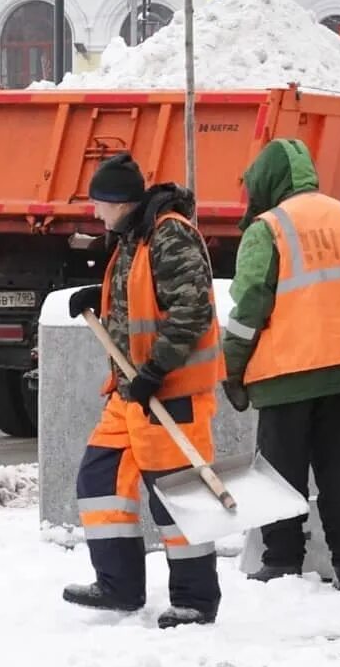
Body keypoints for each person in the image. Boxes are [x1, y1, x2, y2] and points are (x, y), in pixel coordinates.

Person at [62, 152, 224, 629]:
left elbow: (191, 310)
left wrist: (155, 369)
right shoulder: (135, 236)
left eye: (99, 204)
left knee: (179, 497)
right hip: (130, 392)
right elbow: (143, 297)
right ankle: (119, 586)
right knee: (100, 477)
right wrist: (103, 295)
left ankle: (196, 600)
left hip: (169, 392)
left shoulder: (170, 234)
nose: (95, 213)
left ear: (120, 202)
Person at [221, 138, 340, 592]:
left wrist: (232, 369)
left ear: (267, 183)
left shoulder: (268, 227)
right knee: (339, 470)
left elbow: (250, 304)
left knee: (280, 473)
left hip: (287, 372)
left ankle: (282, 561)